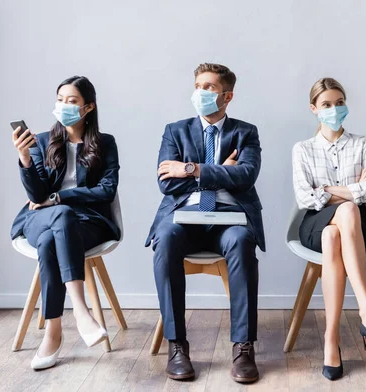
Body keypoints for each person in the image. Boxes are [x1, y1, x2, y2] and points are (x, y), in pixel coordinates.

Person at [146, 63, 264, 383]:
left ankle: (243, 348)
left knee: (241, 242)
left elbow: (246, 176)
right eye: (198, 84)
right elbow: (166, 184)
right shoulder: (176, 130)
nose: (200, 92)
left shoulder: (245, 132)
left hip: (230, 220)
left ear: (227, 96)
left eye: (209, 87)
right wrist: (217, 172)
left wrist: (192, 170)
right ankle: (177, 345)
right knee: (165, 238)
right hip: (183, 218)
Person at [10, 76, 120, 370]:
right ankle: (81, 311)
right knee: (59, 217)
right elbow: (36, 195)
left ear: (88, 108)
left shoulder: (105, 143)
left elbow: (106, 190)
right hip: (39, 219)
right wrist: (24, 158)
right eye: (60, 99)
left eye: (72, 101)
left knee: (52, 236)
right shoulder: (43, 142)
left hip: (87, 222)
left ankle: (54, 331)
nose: (63, 106)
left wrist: (59, 197)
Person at [292, 77, 366, 381]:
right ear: (314, 109)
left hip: (355, 229)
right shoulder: (303, 149)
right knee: (345, 210)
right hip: (313, 222)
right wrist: (350, 189)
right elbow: (305, 198)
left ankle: (331, 341)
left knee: (334, 232)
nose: (334, 109)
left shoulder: (364, 143)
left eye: (339, 103)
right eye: (326, 104)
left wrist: (326, 189)